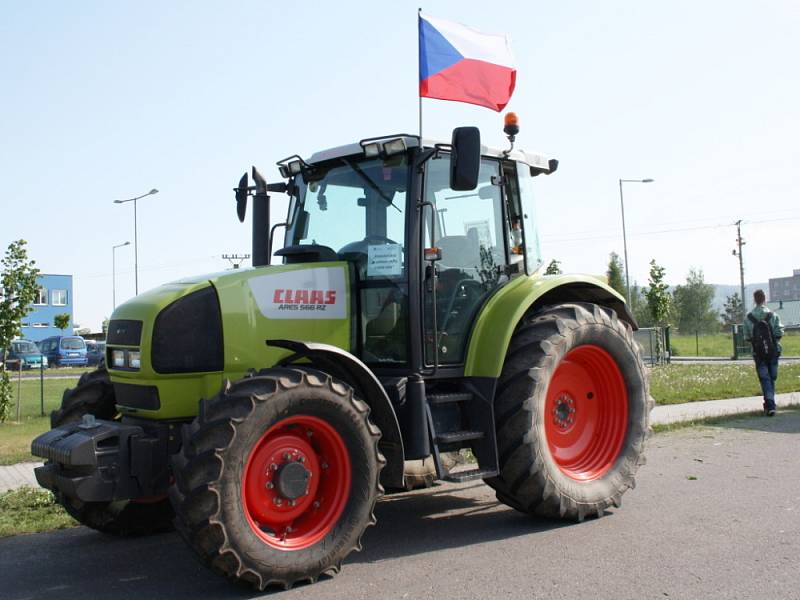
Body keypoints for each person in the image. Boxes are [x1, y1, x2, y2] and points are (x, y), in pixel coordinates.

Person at [743, 289, 784, 416]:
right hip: (773, 352)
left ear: (754, 300)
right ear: (765, 298)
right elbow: (779, 333)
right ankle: (770, 404)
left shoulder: (748, 318)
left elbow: (747, 337)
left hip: (758, 354)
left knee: (765, 379)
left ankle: (769, 404)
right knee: (772, 377)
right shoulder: (773, 315)